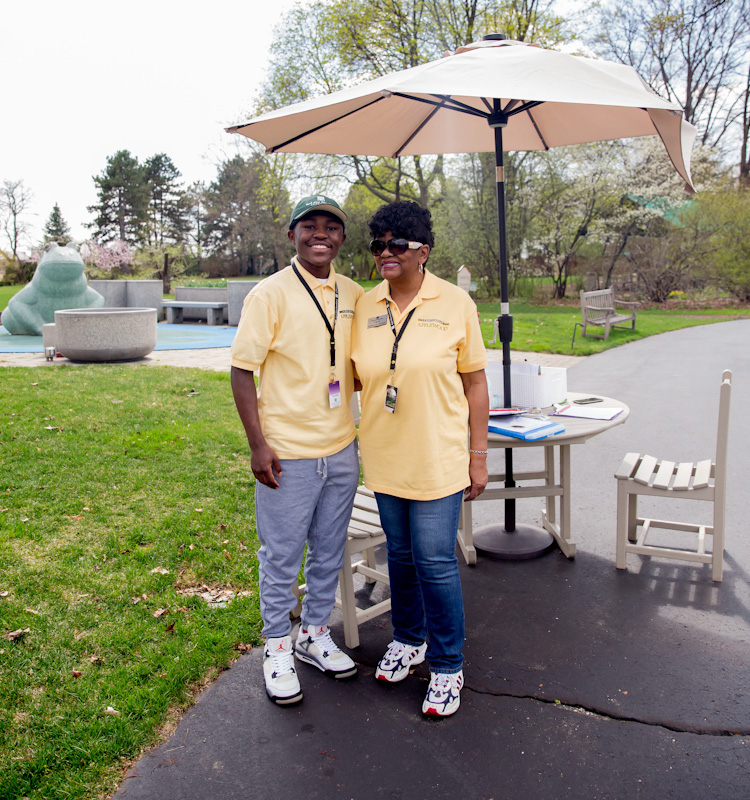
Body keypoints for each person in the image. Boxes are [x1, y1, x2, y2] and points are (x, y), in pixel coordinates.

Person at [351, 200, 489, 717]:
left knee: (433, 562)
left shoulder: (455, 304)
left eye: (397, 244)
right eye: (378, 245)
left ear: (422, 251)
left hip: (439, 457)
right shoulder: (365, 305)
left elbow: (475, 384)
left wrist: (479, 456)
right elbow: (354, 376)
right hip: (386, 457)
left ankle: (448, 665)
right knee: (402, 558)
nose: (386, 253)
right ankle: (410, 640)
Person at [230, 194, 363, 705]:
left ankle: (313, 634)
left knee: (329, 551)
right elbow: (243, 370)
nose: (320, 234)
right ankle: (276, 645)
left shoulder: (354, 293)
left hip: (342, 447)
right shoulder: (269, 295)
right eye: (310, 225)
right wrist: (257, 445)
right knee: (283, 554)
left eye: (331, 226)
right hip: (287, 451)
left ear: (341, 238)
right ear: (293, 235)